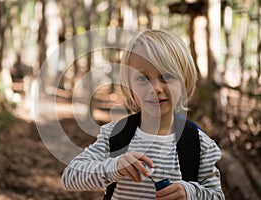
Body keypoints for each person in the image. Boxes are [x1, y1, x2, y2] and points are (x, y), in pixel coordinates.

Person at [61, 29, 225, 200]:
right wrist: (113, 167)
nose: (155, 89)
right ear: (129, 86)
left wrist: (190, 193)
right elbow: (70, 177)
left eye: (166, 77)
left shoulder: (199, 144)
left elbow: (217, 196)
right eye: (142, 78)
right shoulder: (115, 135)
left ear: (184, 81)